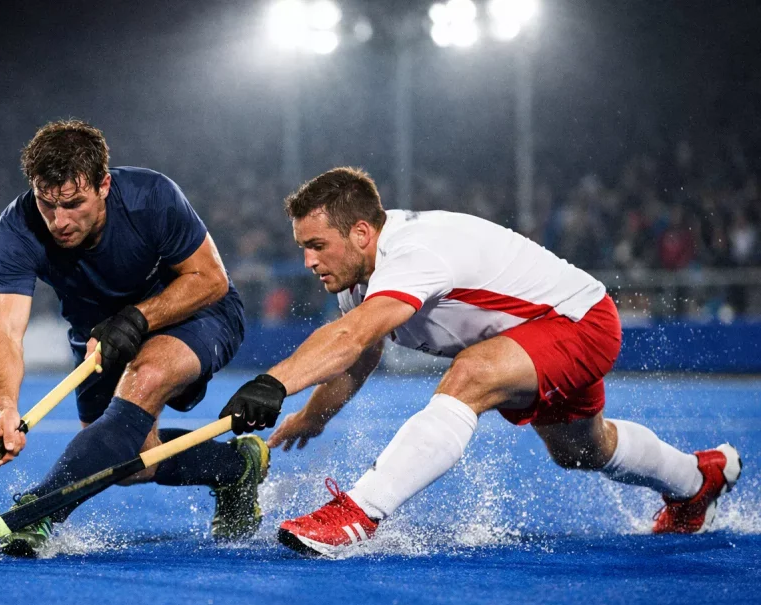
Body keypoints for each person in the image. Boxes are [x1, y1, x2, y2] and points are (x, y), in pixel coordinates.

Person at [220, 167, 741, 558]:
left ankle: (356, 514)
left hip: (578, 323)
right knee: (582, 450)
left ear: (361, 233)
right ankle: (697, 481)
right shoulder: (358, 278)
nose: (308, 261)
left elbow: (352, 335)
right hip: (536, 339)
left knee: (468, 375)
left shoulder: (414, 251)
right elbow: (362, 353)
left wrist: (273, 382)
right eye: (303, 248)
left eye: (316, 245)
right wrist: (313, 416)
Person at [0, 120, 267, 556]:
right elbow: (3, 329)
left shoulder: (152, 198)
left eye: (74, 204)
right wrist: (5, 407)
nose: (59, 221)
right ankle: (236, 467)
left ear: (104, 186)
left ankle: (41, 510)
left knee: (146, 373)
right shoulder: (15, 231)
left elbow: (211, 279)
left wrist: (137, 318)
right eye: (46, 204)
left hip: (196, 310)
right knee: (120, 460)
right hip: (100, 336)